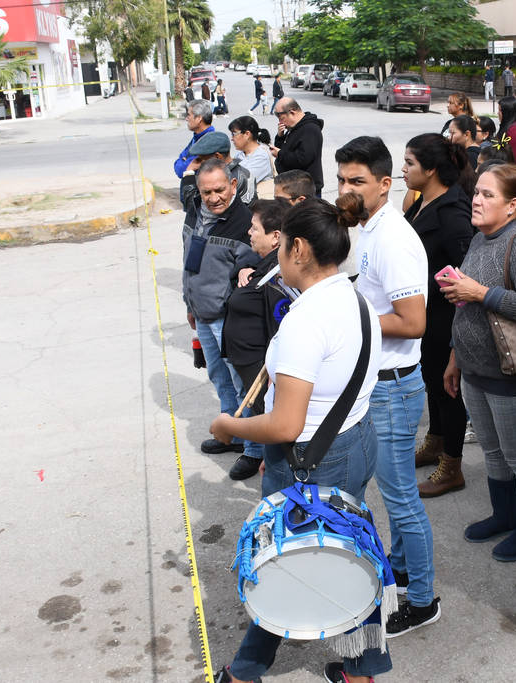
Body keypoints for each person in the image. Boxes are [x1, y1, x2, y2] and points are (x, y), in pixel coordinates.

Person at [207, 194, 391, 683]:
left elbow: (285, 425)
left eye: (281, 244)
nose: (276, 254)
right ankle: (362, 667)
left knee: (286, 561)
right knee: (350, 552)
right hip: (355, 440)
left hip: (309, 459)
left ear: (299, 249)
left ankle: (244, 673)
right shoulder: (355, 299)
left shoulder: (306, 321)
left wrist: (229, 426)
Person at [334, 136, 441, 637]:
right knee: (394, 495)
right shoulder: (369, 230)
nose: (346, 190)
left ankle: (422, 600)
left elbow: (413, 322)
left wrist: (348, 318)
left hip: (393, 389)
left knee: (401, 500)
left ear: (384, 183)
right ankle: (401, 567)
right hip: (377, 384)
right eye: (341, 180)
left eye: (357, 181)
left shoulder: (392, 238)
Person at [439, 164, 516, 563]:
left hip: (510, 373)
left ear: (512, 205)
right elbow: (465, 304)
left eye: (488, 195)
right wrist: (455, 355)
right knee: (492, 451)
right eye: (477, 192)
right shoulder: (480, 238)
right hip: (474, 369)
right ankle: (504, 516)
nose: (477, 200)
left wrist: (480, 292)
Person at [401, 134, 475, 498]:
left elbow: (468, 274)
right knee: (433, 383)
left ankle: (452, 467)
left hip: (446, 320)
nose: (403, 169)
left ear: (431, 169)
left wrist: (457, 343)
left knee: (447, 391)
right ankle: (435, 441)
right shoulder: (423, 201)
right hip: (425, 316)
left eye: (410, 163)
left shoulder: (453, 212)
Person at [181, 160, 262, 462]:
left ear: (233, 185)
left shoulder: (245, 222)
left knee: (241, 383)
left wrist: (246, 268)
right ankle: (232, 434)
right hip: (202, 314)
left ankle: (254, 448)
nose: (214, 198)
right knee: (219, 377)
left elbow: (252, 263)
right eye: (207, 192)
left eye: (219, 190)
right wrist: (190, 304)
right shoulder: (193, 211)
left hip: (228, 318)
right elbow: (189, 261)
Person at [220, 197, 293, 480]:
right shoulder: (263, 265)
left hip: (262, 369)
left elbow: (279, 328)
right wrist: (243, 269)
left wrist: (274, 376)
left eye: (254, 228)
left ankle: (279, 477)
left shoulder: (279, 275)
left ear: (275, 236)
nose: (248, 232)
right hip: (247, 362)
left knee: (270, 422)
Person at [179, 130, 256, 211]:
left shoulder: (226, 179)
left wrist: (189, 173)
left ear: (217, 157)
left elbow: (194, 210)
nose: (198, 164)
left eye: (201, 159)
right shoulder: (241, 171)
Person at [271, 97, 325, 197]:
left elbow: (302, 159)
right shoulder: (293, 128)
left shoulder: (310, 129)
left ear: (292, 113)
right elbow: (284, 148)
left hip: (305, 191)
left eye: (282, 119)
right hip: (291, 188)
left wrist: (280, 154)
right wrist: (280, 137)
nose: (281, 123)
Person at [229, 116, 275, 194]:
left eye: (234, 134)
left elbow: (242, 182)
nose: (232, 138)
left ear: (247, 134)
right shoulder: (240, 154)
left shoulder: (261, 156)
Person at [174, 99, 215, 178]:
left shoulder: (207, 141)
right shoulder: (197, 137)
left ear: (199, 119)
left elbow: (182, 171)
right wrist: (184, 161)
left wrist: (185, 161)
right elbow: (181, 156)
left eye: (189, 115)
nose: (187, 118)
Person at [495, 96, 516, 174]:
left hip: (512, 173)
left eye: (500, 110)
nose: (498, 113)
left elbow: (515, 157)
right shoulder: (507, 126)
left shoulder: (515, 129)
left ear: (507, 112)